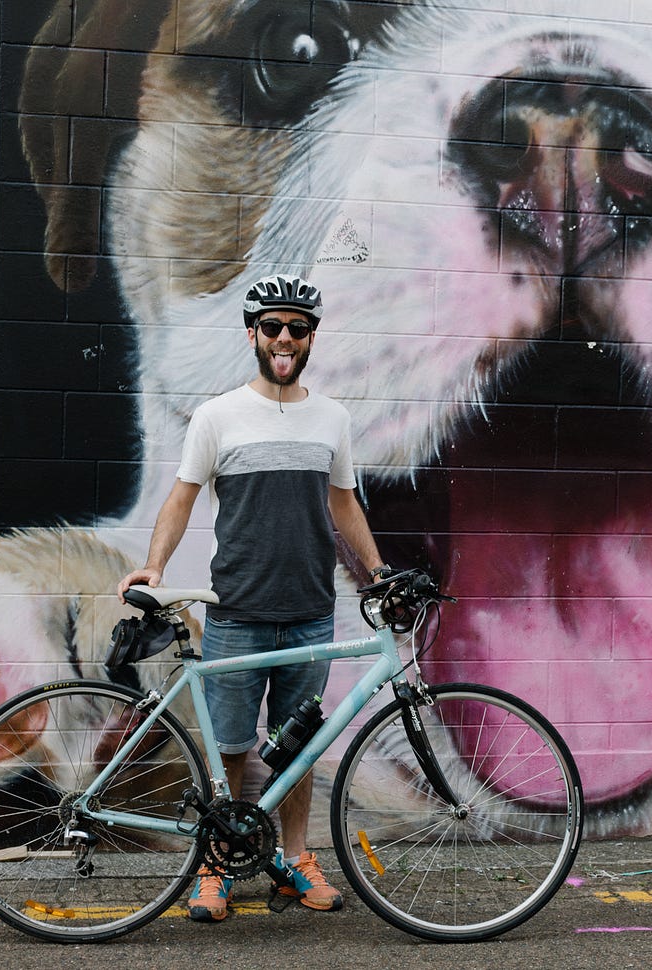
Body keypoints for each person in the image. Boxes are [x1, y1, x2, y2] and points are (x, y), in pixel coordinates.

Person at [118, 273, 390, 924]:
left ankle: (295, 861)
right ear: (253, 335)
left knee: (296, 752)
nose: (285, 338)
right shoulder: (217, 416)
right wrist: (153, 566)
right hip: (236, 610)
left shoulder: (332, 418)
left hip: (308, 613)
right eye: (273, 327)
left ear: (312, 337)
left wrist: (378, 571)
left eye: (298, 327)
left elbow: (344, 502)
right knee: (232, 750)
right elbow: (181, 498)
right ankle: (215, 867)